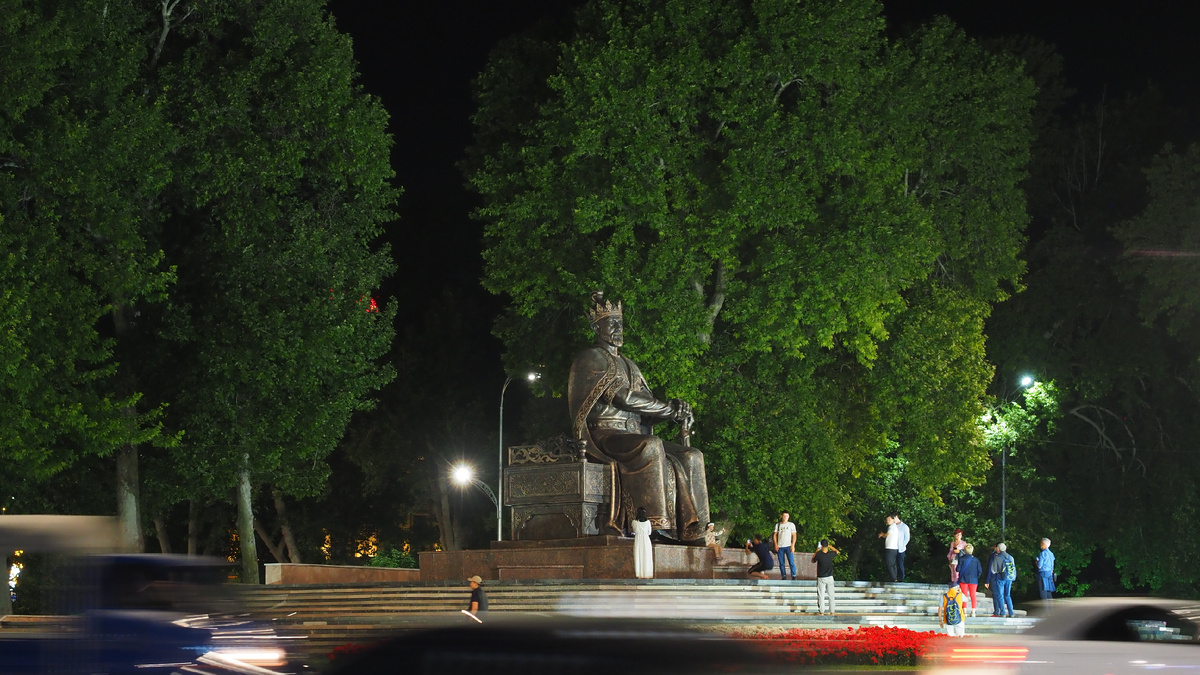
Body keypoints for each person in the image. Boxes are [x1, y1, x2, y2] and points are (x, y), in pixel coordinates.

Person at [568, 291, 710, 541]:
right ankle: (655, 524)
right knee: (651, 445)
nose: (617, 328)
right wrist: (667, 408)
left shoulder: (630, 364)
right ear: (596, 326)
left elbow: (646, 410)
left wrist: (675, 412)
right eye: (611, 323)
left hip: (631, 433)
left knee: (692, 456)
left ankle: (699, 528)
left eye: (620, 323)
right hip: (604, 435)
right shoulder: (591, 357)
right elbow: (623, 397)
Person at [811, 539, 839, 614]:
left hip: (821, 577)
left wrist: (817, 550)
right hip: (830, 577)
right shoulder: (830, 554)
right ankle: (832, 610)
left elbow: (813, 560)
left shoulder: (819, 554)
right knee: (831, 595)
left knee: (821, 594)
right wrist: (830, 546)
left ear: (821, 546)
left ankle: (822, 611)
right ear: (827, 545)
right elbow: (837, 551)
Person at [957, 543, 983, 617]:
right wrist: (976, 576)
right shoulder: (976, 560)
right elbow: (980, 571)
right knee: (973, 595)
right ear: (972, 550)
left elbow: (958, 569)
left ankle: (964, 611)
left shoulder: (961, 559)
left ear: (965, 550)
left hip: (963, 579)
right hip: (973, 580)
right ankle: (973, 611)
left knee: (964, 595)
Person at [992, 543, 1016, 618]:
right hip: (1009, 578)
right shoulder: (1011, 557)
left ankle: (1003, 612)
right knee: (1007, 595)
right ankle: (1011, 612)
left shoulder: (997, 558)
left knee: (1000, 595)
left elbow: (993, 570)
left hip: (1000, 578)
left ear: (998, 549)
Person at [773, 511, 797, 580]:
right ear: (782, 516)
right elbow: (775, 535)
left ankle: (794, 575)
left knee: (791, 561)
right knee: (781, 562)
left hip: (788, 545)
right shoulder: (778, 525)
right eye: (784, 516)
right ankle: (783, 575)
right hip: (780, 546)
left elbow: (794, 535)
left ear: (788, 517)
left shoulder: (791, 525)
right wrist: (776, 544)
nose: (785, 517)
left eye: (787, 516)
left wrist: (793, 545)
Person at [633, 507, 654, 579]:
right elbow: (649, 532)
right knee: (646, 556)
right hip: (646, 540)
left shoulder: (634, 522)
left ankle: (639, 575)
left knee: (638, 556)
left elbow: (634, 530)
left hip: (638, 540)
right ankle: (647, 574)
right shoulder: (648, 522)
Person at [878, 515, 899, 581]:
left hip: (890, 548)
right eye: (887, 520)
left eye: (889, 520)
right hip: (894, 548)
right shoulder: (894, 527)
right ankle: (894, 577)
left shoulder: (892, 527)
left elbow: (887, 535)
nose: (887, 521)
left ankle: (894, 578)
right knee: (892, 563)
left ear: (893, 520)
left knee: (889, 563)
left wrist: (882, 534)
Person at [894, 514, 911, 582]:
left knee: (900, 563)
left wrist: (903, 545)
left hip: (901, 548)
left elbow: (907, 538)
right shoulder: (893, 526)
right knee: (893, 563)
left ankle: (901, 578)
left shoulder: (904, 527)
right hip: (893, 547)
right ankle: (894, 577)